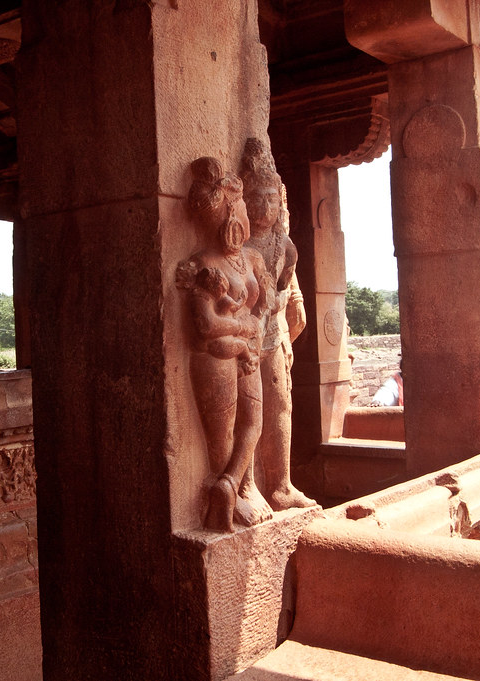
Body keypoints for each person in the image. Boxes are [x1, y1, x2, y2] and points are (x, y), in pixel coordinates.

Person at [178, 155, 273, 532]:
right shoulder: (203, 264)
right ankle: (227, 500)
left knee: (254, 422)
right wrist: (244, 327)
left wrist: (254, 331)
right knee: (222, 432)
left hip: (246, 351)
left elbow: (266, 303)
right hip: (216, 357)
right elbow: (204, 326)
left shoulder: (250, 259)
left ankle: (234, 484)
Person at [240, 139, 314, 511]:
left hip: (274, 334)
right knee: (249, 413)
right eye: (255, 199)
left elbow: (286, 291)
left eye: (270, 198)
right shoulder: (237, 243)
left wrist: (285, 327)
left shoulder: (285, 246)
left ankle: (281, 484)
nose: (263, 208)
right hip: (245, 338)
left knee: (280, 404)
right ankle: (247, 484)